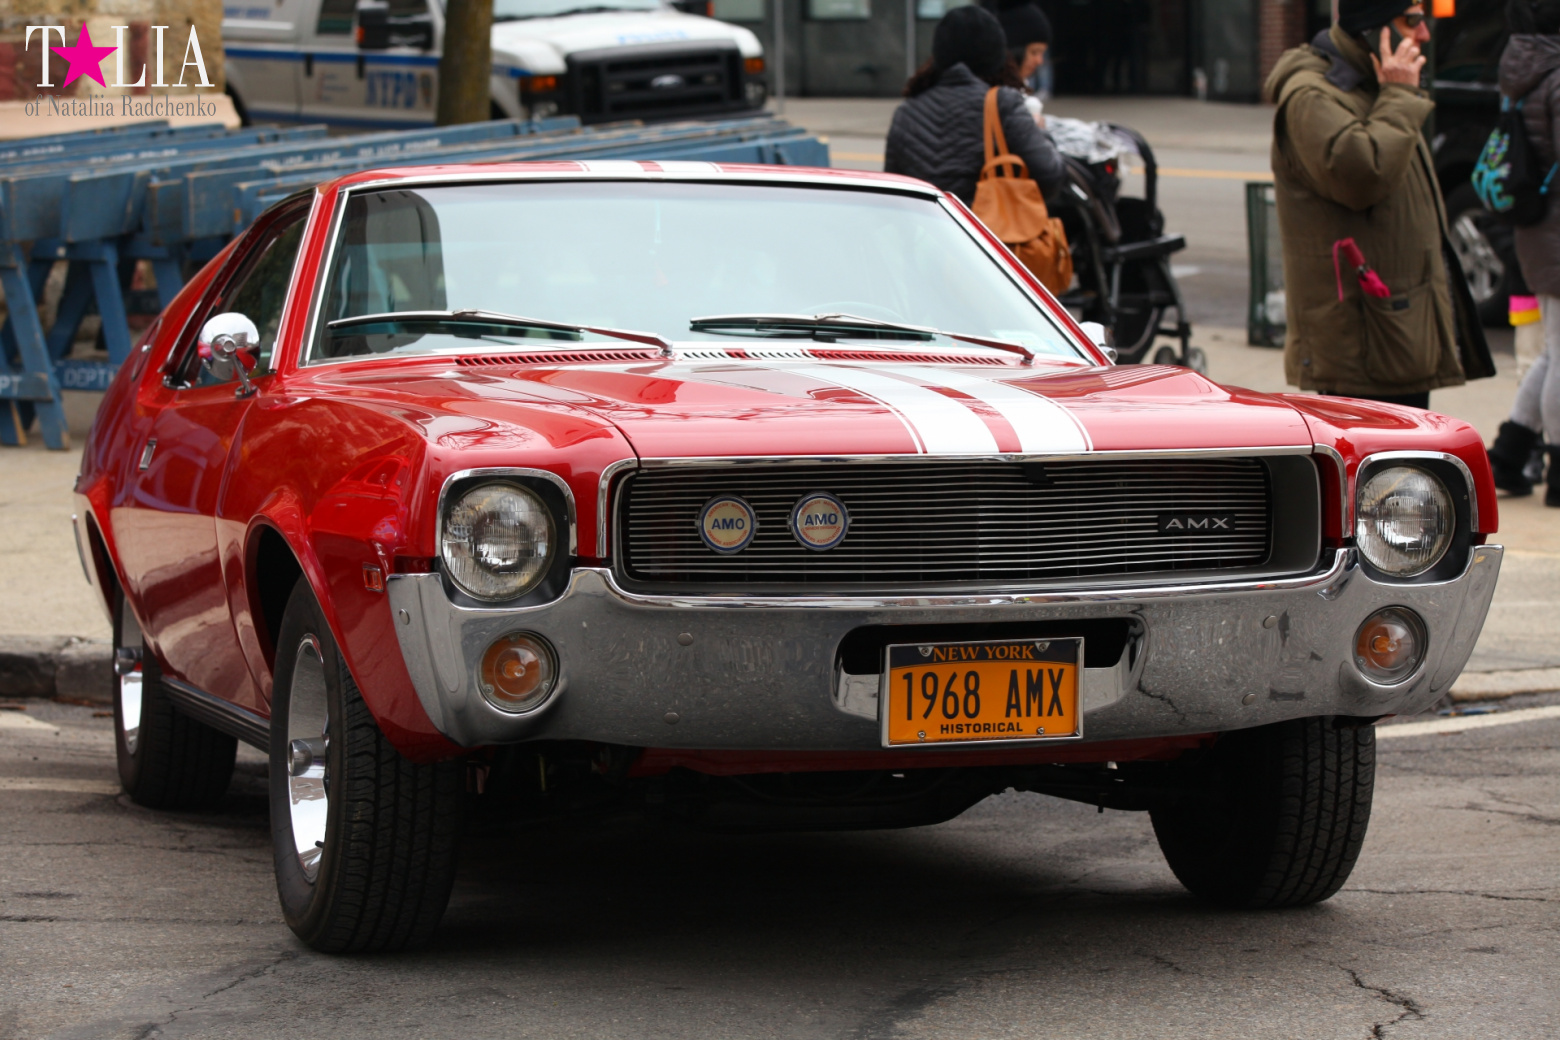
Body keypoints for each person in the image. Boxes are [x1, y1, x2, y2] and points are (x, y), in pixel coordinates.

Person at [1265, 0, 1472, 408]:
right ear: (1371, 28)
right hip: (1362, 341)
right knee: (1382, 468)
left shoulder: (1374, 86)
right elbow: (1362, 177)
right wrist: (1399, 96)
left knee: (1413, 463)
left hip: (1397, 327)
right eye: (1411, 21)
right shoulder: (1314, 96)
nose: (1424, 34)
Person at [1486, 0, 1560, 504]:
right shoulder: (1556, 74)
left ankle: (1509, 456)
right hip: (1557, 228)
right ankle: (1558, 469)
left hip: (1539, 229)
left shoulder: (1522, 67)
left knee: (1553, 349)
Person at [884, 4, 1066, 206]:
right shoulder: (1002, 103)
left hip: (926, 231)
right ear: (995, 54)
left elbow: (893, 192)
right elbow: (1051, 175)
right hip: (983, 233)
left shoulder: (907, 112)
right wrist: (1040, 129)